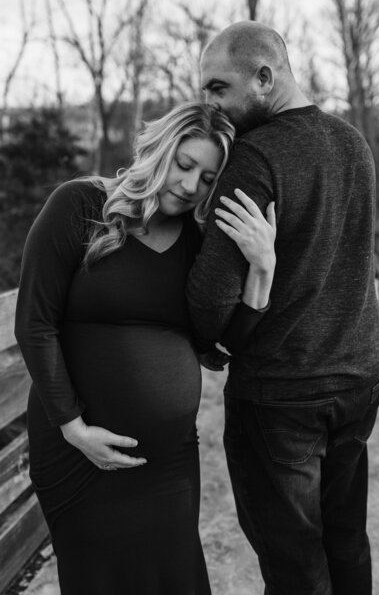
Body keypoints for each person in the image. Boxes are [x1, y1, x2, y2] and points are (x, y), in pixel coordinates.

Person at [15, 102, 276, 595]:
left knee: (176, 580)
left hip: (170, 462)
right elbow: (34, 321)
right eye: (184, 164)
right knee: (98, 581)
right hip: (78, 451)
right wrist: (73, 428)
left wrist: (261, 269)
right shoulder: (80, 205)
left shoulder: (197, 242)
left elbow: (218, 349)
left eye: (207, 177)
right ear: (160, 147)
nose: (190, 185)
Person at [187, 21, 379, 595]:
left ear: (265, 78)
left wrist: (209, 340)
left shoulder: (254, 158)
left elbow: (207, 300)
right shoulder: (353, 143)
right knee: (347, 543)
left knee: (296, 564)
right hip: (356, 383)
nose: (209, 102)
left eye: (219, 87)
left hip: (281, 393)